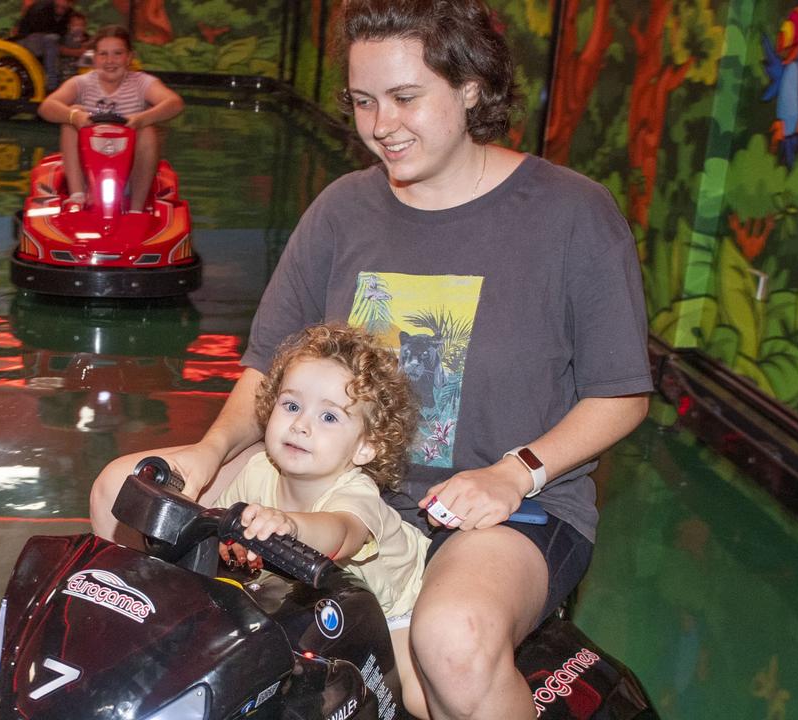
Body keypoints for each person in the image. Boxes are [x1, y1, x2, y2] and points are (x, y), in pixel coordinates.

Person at [88, 0, 652, 717]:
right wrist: (211, 448)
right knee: (122, 490)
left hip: (505, 509)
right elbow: (266, 367)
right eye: (362, 101)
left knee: (454, 637)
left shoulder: (572, 214)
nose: (381, 125)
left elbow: (621, 395)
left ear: (472, 87)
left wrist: (518, 473)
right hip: (335, 478)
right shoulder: (342, 210)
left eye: (406, 98)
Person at [212, 322, 432, 714]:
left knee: (418, 697)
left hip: (399, 603)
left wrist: (292, 527)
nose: (301, 424)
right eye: (291, 405)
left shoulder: (355, 492)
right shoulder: (258, 471)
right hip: (326, 601)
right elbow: (218, 527)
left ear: (365, 447)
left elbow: (341, 533)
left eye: (329, 417)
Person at [37, 25, 184, 213]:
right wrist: (76, 116)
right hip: (88, 174)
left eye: (117, 54)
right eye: (103, 54)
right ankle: (77, 197)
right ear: (94, 58)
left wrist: (141, 119)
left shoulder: (142, 83)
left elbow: (175, 103)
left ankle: (136, 210)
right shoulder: (82, 83)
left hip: (129, 174)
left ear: (129, 57)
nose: (110, 61)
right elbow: (46, 107)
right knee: (71, 114)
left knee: (147, 130)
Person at [11, 0, 75, 92]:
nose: (63, 4)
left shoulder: (68, 12)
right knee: (51, 39)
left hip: (47, 40)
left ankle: (69, 78)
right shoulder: (42, 8)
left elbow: (63, 32)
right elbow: (40, 30)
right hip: (27, 40)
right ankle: (51, 84)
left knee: (67, 39)